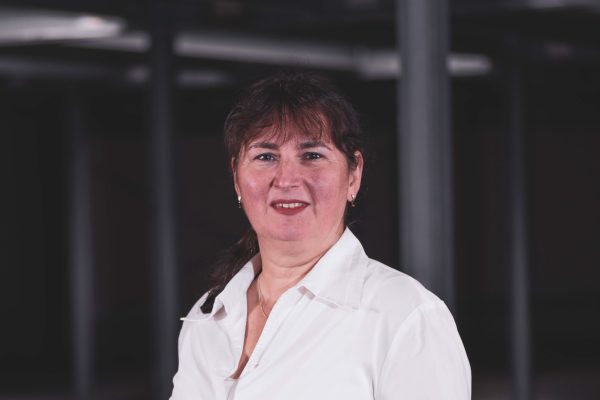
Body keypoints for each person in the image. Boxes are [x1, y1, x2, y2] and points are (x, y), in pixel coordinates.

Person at [170, 71, 471, 399]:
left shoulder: (406, 316)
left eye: (312, 156)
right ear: (236, 177)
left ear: (353, 174)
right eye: (266, 157)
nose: (287, 179)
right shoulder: (207, 318)